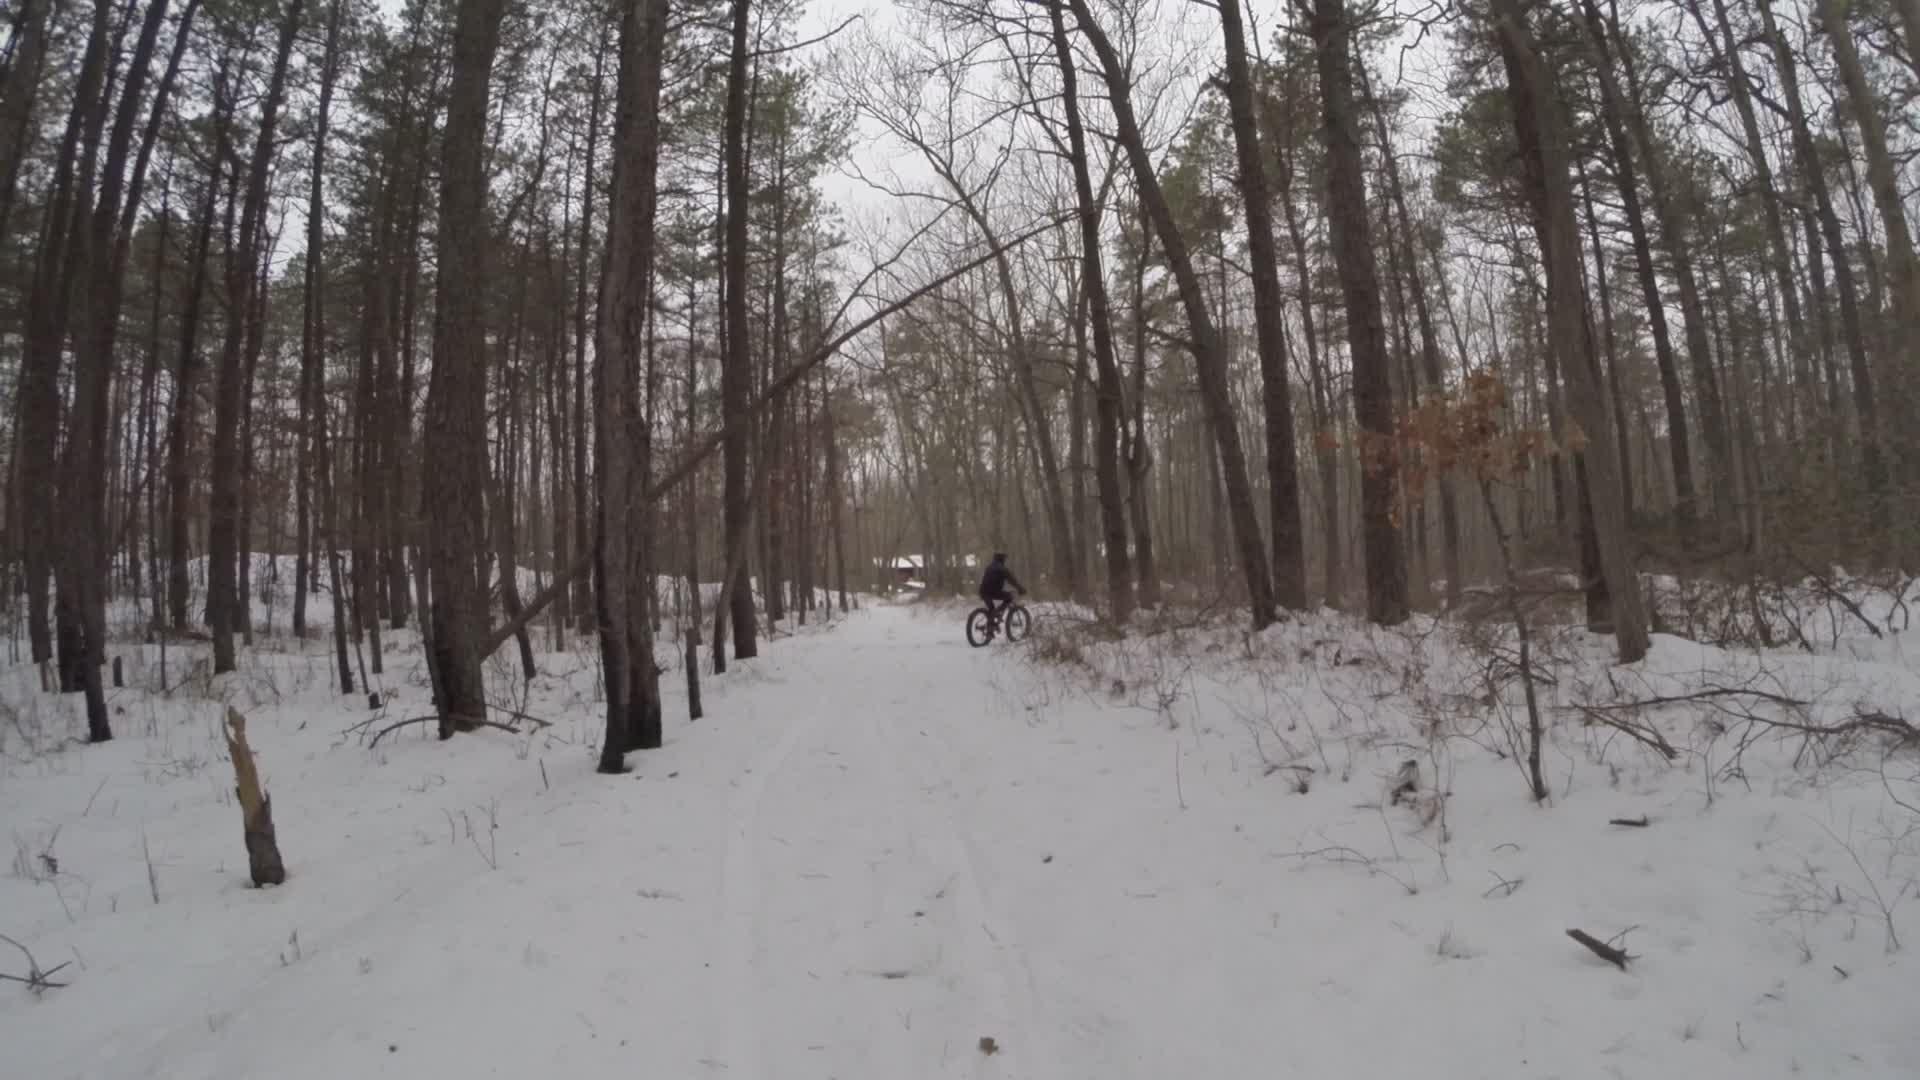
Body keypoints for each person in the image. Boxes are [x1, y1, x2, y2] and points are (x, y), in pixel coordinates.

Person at [977, 552, 1026, 626]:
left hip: (983, 592)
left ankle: (990, 628)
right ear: (1002, 559)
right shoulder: (1002, 569)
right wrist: (1020, 589)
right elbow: (1012, 580)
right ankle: (998, 613)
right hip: (994, 592)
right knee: (1009, 597)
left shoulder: (989, 567)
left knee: (992, 611)